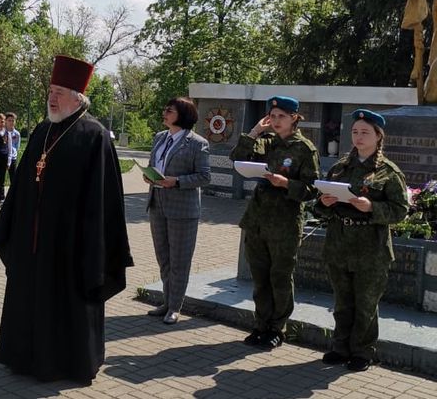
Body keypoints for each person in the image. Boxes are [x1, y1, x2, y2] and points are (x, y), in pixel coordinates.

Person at [0, 55, 133, 384]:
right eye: (50, 91)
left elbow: (104, 199)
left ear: (78, 97)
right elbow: (24, 182)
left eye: (60, 92)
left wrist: (92, 247)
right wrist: (12, 226)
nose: (52, 98)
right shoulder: (42, 130)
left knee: (67, 303)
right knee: (30, 298)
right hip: (33, 242)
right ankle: (25, 358)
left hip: (72, 245)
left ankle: (69, 362)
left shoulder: (94, 135)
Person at [315, 109, 408, 372]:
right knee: (343, 302)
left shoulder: (388, 172)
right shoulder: (340, 167)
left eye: (365, 132)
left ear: (379, 136)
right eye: (355, 132)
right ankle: (339, 347)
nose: (358, 137)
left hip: (371, 248)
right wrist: (324, 202)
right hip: (339, 244)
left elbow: (400, 211)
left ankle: (362, 351)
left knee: (366, 303)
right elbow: (318, 209)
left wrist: (371, 208)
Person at [229, 95, 320, 350]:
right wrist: (256, 130)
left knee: (279, 278)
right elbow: (237, 158)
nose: (277, 121)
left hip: (284, 223)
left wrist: (287, 184)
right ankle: (260, 325)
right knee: (260, 277)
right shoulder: (265, 142)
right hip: (257, 219)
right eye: (273, 116)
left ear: (294, 118)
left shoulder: (304, 149)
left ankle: (277, 329)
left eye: (282, 116)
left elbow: (313, 189)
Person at [144, 97, 211, 325]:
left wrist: (178, 181)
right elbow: (157, 165)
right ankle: (166, 300)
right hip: (158, 202)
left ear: (183, 114)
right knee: (163, 257)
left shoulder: (197, 143)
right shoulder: (159, 138)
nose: (164, 112)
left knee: (179, 260)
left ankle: (175, 307)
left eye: (169, 110)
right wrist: (149, 176)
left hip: (182, 208)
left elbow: (204, 176)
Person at [5, 112, 20, 186]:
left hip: (13, 158)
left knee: (13, 177)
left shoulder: (17, 134)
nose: (11, 122)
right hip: (3, 156)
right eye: (9, 120)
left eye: (13, 120)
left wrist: (14, 154)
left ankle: (13, 194)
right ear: (5, 121)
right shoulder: (2, 132)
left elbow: (17, 146)